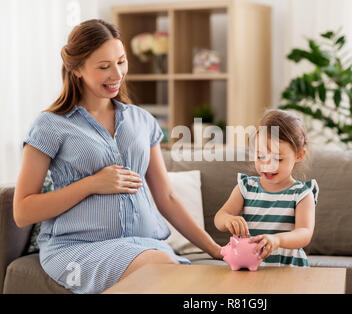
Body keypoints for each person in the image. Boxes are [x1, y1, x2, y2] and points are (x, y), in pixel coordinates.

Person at [13, 19, 222, 294]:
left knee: (173, 274)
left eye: (121, 62)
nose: (117, 74)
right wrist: (91, 184)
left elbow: (167, 198)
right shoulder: (50, 126)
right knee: (161, 270)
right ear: (76, 69)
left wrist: (217, 250)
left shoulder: (142, 120)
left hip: (144, 245)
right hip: (79, 249)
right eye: (104, 67)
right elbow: (23, 211)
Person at [214, 109, 318, 267]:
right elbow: (219, 218)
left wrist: (278, 240)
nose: (268, 165)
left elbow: (304, 233)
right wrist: (228, 219)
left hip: (290, 270)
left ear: (299, 155)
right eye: (261, 156)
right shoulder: (246, 187)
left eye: (277, 158)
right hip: (251, 268)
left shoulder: (302, 194)